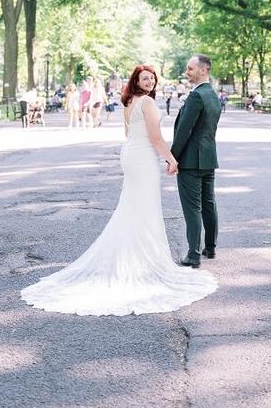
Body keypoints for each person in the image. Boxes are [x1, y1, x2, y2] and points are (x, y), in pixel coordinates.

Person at [20, 64, 217, 315]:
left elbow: (129, 133)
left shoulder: (129, 102)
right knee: (145, 206)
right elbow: (155, 139)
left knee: (132, 204)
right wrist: (171, 159)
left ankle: (132, 252)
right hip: (142, 156)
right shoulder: (146, 103)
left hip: (131, 153)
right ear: (136, 81)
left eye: (152, 78)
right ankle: (143, 258)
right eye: (145, 78)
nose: (150, 81)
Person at [171, 54, 222, 268]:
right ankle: (209, 248)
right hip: (209, 157)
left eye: (190, 69)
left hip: (191, 160)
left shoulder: (196, 96)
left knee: (193, 207)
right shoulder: (213, 95)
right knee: (208, 204)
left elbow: (184, 130)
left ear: (204, 70)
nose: (187, 72)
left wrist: (172, 157)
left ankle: (193, 254)